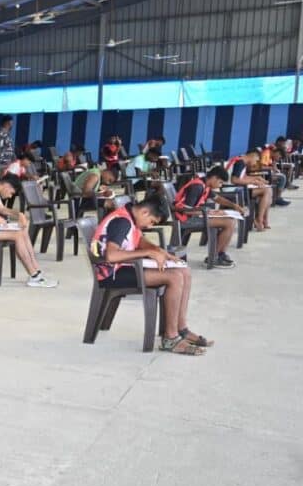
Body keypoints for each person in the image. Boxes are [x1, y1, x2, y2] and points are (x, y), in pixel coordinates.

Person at [92, 196, 211, 356]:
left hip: (123, 267)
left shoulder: (131, 216)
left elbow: (139, 240)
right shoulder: (122, 222)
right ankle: (170, 339)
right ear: (144, 212)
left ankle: (181, 329)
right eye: (152, 222)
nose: (150, 226)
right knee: (174, 277)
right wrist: (148, 252)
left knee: (184, 271)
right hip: (111, 273)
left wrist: (158, 251)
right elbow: (111, 256)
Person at [172, 166, 245, 269]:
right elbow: (187, 210)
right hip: (185, 220)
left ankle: (220, 254)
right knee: (229, 222)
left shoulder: (204, 185)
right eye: (220, 182)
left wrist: (234, 206)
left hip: (193, 216)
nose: (220, 185)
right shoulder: (197, 187)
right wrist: (210, 212)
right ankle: (213, 258)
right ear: (214, 178)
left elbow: (217, 198)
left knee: (231, 220)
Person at [227, 151, 273, 231]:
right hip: (234, 190)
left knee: (268, 190)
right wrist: (253, 182)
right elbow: (234, 180)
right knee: (266, 190)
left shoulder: (242, 162)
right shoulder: (240, 163)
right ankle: (260, 220)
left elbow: (242, 178)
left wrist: (256, 178)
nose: (255, 164)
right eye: (256, 161)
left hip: (239, 189)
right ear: (253, 156)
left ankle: (263, 219)